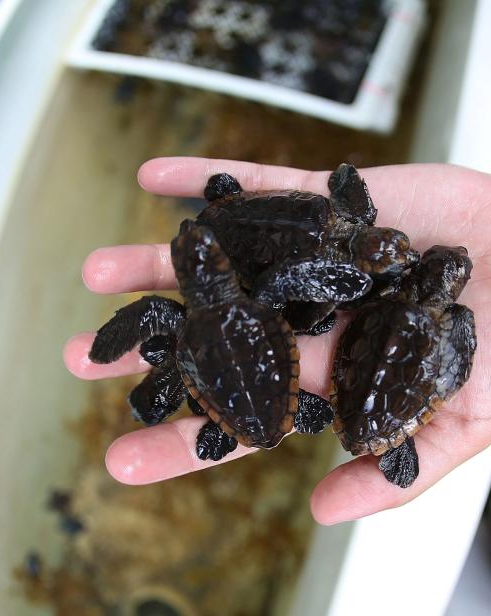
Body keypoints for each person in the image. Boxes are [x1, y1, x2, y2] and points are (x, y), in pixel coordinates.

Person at [63, 156, 491, 525]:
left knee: (181, 349)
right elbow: (291, 283)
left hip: (243, 338)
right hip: (261, 336)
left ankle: (176, 406)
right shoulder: (258, 298)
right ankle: (171, 403)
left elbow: (290, 285)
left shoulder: (183, 313)